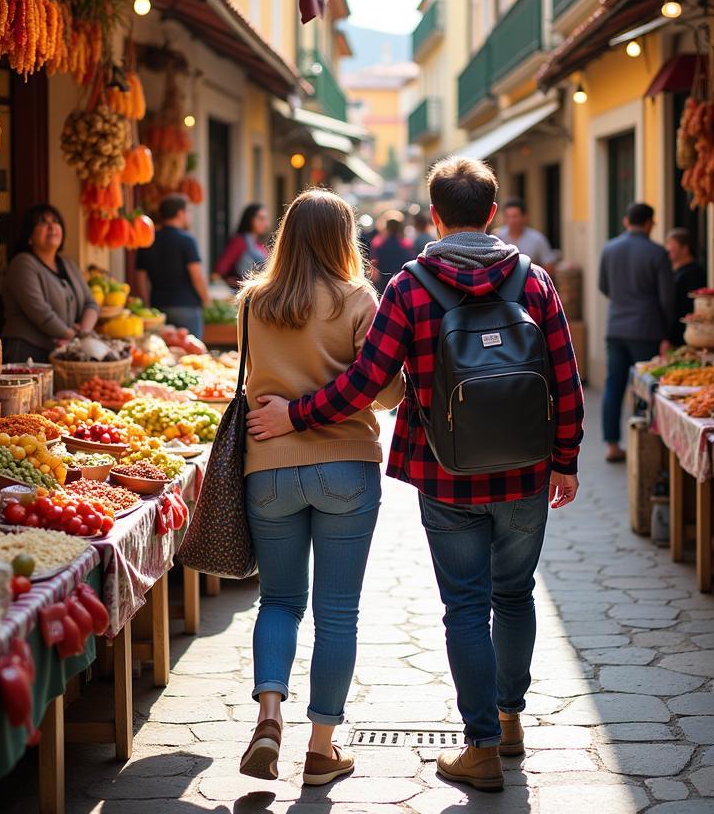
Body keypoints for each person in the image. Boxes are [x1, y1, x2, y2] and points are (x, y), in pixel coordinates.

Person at [248, 157, 584, 793]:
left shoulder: (409, 288)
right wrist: (565, 460)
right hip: (526, 475)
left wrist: (295, 414)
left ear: (434, 215)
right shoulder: (535, 283)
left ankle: (480, 746)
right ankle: (511, 719)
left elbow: (366, 383)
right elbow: (566, 380)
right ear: (492, 212)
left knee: (465, 605)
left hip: (447, 475)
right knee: (514, 595)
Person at [236, 190, 404, 787]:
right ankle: (321, 749)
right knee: (338, 613)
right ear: (343, 238)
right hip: (346, 467)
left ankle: (268, 717)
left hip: (269, 468)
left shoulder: (255, 299)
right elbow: (388, 393)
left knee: (279, 602)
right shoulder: (361, 299)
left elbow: (251, 373)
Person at [598, 202, 674, 463]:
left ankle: (611, 444)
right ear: (650, 223)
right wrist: (668, 332)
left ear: (625, 221)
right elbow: (667, 298)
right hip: (647, 329)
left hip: (616, 326)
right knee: (647, 388)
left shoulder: (609, 249)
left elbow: (604, 286)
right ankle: (648, 446)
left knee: (613, 386)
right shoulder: (657, 253)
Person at [1, 204, 98, 363]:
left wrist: (83, 335)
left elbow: (91, 303)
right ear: (29, 234)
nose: (52, 226)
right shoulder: (22, 264)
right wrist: (74, 338)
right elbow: (40, 312)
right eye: (43, 222)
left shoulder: (68, 264)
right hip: (27, 354)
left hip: (63, 350)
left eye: (55, 221)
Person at [135, 194, 209, 338]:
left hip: (158, 305)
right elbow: (197, 276)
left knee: (163, 354)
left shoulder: (148, 241)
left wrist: (147, 304)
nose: (189, 216)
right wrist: (206, 299)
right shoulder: (187, 240)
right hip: (186, 306)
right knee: (192, 354)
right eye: (188, 212)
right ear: (180, 214)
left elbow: (140, 278)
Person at [665, 227, 707, 348]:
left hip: (684, 334)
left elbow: (685, 307)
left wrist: (670, 337)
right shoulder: (674, 271)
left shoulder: (694, 273)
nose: (668, 250)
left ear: (685, 249)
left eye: (672, 247)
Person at [214, 202, 270, 288]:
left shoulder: (259, 244)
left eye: (266, 219)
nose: (266, 223)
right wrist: (240, 283)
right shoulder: (239, 241)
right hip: (244, 294)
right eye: (261, 218)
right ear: (250, 219)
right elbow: (220, 270)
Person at [494, 197, 557, 271]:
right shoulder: (497, 237)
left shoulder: (537, 239)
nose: (511, 221)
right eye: (508, 217)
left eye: (515, 216)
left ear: (524, 217)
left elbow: (549, 266)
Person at [369, 211, 416, 293]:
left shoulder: (378, 243)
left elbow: (374, 266)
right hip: (402, 285)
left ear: (386, 227)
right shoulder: (407, 245)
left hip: (384, 285)